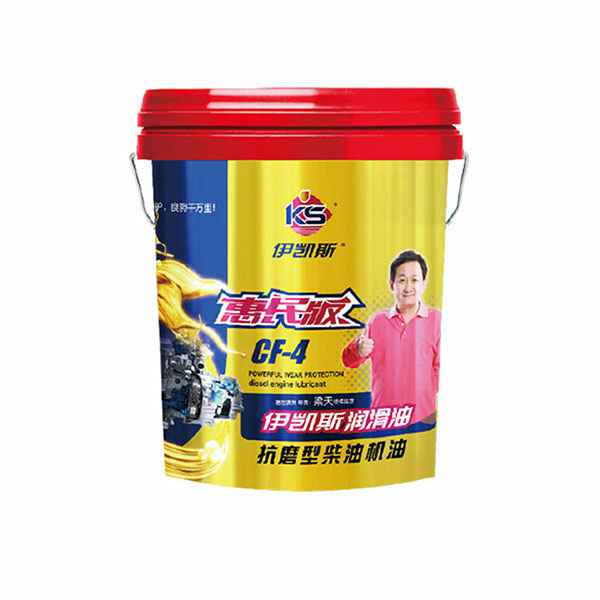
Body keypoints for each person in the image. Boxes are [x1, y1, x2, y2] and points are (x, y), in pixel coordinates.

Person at [342, 250, 441, 424]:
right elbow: (348, 361)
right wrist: (358, 350)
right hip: (382, 418)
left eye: (414, 280)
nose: (408, 287)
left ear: (424, 284)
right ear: (391, 284)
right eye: (402, 280)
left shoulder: (437, 320)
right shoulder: (377, 321)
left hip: (423, 418)